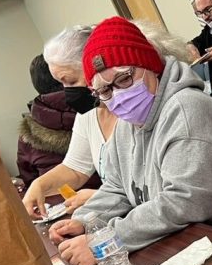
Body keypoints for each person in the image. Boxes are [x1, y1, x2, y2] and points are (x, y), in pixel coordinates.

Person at [48, 16, 212, 265]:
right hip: (186, 246)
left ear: (150, 65)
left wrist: (107, 241)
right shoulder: (128, 122)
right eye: (105, 91)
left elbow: (185, 202)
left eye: (124, 79)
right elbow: (118, 186)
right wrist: (86, 220)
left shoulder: (187, 109)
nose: (117, 96)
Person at [22, 20, 189, 218]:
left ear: (94, 66)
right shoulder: (90, 114)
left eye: (71, 81)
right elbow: (76, 168)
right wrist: (39, 185)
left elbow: (172, 195)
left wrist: (99, 198)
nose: (67, 92)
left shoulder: (133, 109)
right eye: (61, 84)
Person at [16, 55, 77, 187]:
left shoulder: (28, 133)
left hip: (59, 201)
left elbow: (28, 178)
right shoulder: (98, 108)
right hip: (114, 193)